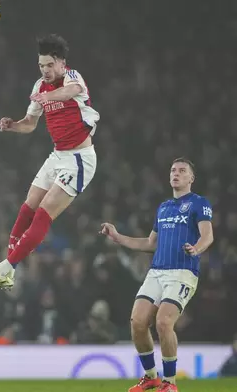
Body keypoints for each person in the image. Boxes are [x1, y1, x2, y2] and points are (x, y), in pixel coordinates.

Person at [0, 34, 100, 288]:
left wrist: (48, 98)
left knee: (43, 213)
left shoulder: (72, 77)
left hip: (79, 159)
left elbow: (70, 92)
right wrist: (13, 125)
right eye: (41, 66)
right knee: (28, 206)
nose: (46, 70)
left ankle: (6, 268)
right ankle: (7, 268)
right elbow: (30, 125)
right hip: (57, 155)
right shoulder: (39, 86)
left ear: (62, 63)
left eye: (50, 65)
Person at [100, 158, 214, 392]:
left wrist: (196, 249)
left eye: (182, 171)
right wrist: (118, 237)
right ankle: (151, 377)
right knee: (138, 322)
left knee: (163, 322)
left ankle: (170, 383)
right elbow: (150, 243)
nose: (176, 174)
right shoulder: (163, 207)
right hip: (157, 271)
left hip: (182, 272)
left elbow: (207, 235)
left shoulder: (199, 203)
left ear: (191, 178)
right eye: (173, 170)